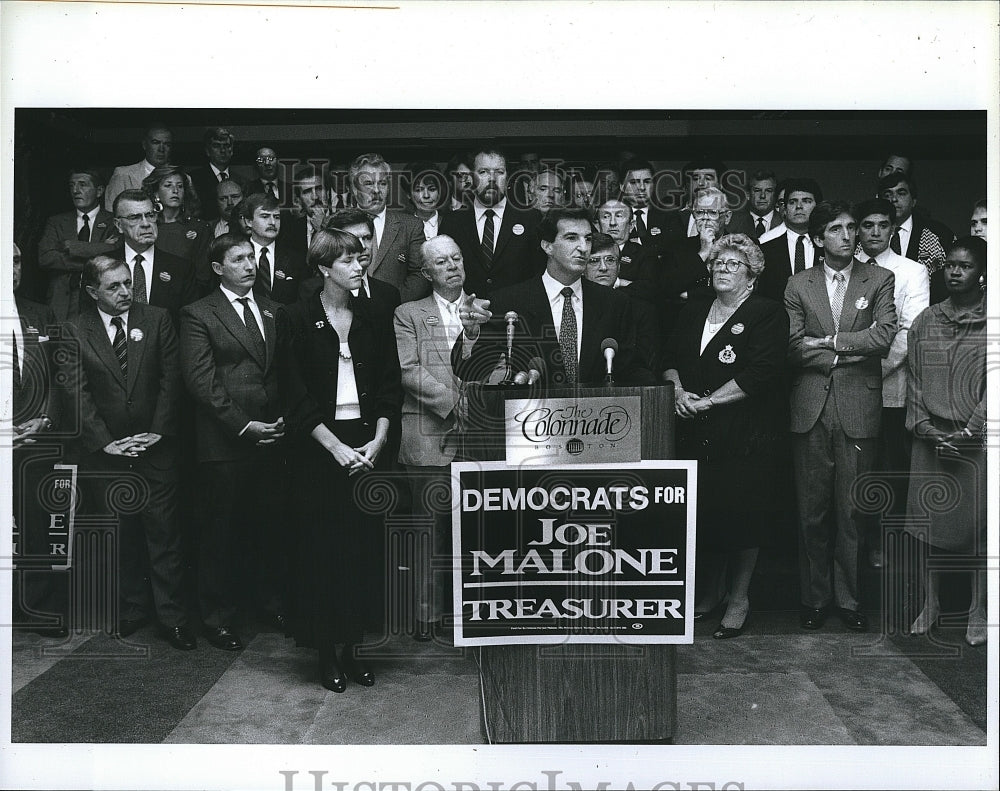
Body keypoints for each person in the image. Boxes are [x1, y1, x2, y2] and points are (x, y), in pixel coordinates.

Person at [278, 228, 402, 692]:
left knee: (362, 552)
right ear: (323, 268)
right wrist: (335, 448)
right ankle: (327, 653)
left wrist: (377, 442)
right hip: (319, 449)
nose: (358, 266)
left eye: (361, 258)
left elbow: (390, 385)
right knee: (321, 553)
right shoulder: (295, 317)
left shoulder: (372, 314)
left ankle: (354, 650)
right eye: (348, 260)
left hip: (367, 447)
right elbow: (294, 395)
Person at [664, 233, 788, 638]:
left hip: (743, 432)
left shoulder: (767, 312)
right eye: (718, 262)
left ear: (752, 275)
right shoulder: (693, 309)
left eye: (734, 264)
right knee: (706, 514)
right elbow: (668, 359)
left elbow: (762, 372)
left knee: (743, 516)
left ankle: (738, 598)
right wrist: (679, 391)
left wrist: (710, 402)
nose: (723, 268)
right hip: (691, 429)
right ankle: (710, 593)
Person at [785, 200, 897, 633]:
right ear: (817, 238)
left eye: (852, 228)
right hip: (809, 406)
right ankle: (814, 598)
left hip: (858, 406)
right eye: (837, 229)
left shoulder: (880, 278)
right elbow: (792, 347)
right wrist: (849, 347)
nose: (849, 236)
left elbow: (884, 336)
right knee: (812, 510)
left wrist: (827, 342)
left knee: (852, 510)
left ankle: (849, 600)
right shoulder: (798, 284)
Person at [71, 255, 194, 650]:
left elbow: (171, 380)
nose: (126, 292)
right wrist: (105, 441)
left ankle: (172, 617)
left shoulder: (157, 319)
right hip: (107, 454)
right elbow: (76, 391)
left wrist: (156, 433)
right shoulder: (75, 329)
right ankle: (133, 608)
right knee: (120, 534)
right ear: (93, 292)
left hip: (155, 448)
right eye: (114, 287)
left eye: (128, 283)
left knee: (165, 535)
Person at [179, 234, 289, 651]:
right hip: (225, 443)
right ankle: (218, 618)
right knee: (220, 533)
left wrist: (281, 422)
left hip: (274, 436)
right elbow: (200, 382)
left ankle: (269, 603)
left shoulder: (275, 310)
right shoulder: (198, 313)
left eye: (251, 258)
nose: (249, 265)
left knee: (269, 526)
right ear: (217, 268)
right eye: (238, 259)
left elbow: (283, 372)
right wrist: (245, 426)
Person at [452, 207, 654, 388]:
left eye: (588, 238)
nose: (584, 248)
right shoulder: (509, 302)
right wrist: (471, 335)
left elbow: (632, 370)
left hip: (598, 422)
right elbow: (471, 371)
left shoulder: (614, 303)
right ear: (547, 246)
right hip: (531, 421)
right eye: (572, 238)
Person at [904, 237, 987, 647]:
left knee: (981, 527)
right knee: (927, 525)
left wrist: (972, 432)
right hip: (932, 437)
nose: (955, 272)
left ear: (981, 272)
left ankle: (979, 608)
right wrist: (926, 428)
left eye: (966, 266)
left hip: (977, 439)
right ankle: (931, 602)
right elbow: (914, 380)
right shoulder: (926, 320)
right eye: (950, 265)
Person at [393, 234, 468, 641]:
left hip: (479, 441)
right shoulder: (408, 313)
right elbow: (408, 370)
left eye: (456, 258)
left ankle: (466, 612)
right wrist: (458, 405)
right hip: (427, 436)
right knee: (428, 531)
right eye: (442, 262)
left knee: (472, 530)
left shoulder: (487, 310)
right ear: (426, 272)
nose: (452, 265)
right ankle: (426, 614)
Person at [855, 198, 930, 568]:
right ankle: (856, 543)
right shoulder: (841, 267)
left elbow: (908, 332)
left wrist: (869, 371)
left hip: (889, 386)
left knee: (886, 469)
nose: (874, 232)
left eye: (882, 225)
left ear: (892, 227)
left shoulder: (912, 271)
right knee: (856, 469)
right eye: (867, 225)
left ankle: (882, 544)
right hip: (845, 388)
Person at [10, 243, 70, 636]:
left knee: (36, 525)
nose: (12, 268)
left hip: (33, 436)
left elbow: (56, 375)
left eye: (16, 259)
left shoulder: (39, 312)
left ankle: (38, 608)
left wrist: (44, 417)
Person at [439, 145, 546, 298]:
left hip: (518, 315)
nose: (492, 179)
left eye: (499, 172)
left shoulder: (531, 219)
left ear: (508, 177)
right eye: (483, 172)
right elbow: (443, 275)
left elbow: (540, 275)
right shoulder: (453, 222)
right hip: (465, 315)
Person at [346, 152, 428, 302]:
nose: (377, 190)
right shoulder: (338, 225)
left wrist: (392, 303)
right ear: (354, 188)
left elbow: (420, 273)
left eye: (382, 183)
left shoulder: (410, 226)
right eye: (369, 183)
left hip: (395, 314)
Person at [38, 167, 116, 321]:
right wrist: (97, 255)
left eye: (82, 184)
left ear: (99, 191)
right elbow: (45, 258)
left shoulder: (113, 222)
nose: (75, 190)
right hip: (62, 302)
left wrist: (70, 246)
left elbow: (115, 252)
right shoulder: (57, 222)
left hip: (100, 301)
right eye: (72, 185)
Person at [110, 190, 198, 320]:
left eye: (150, 215)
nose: (146, 224)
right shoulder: (102, 264)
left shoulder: (181, 268)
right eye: (135, 217)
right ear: (118, 225)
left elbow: (190, 322)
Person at [584, 233, 662, 374]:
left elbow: (645, 368)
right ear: (583, 267)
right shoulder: (571, 305)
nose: (603, 267)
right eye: (594, 261)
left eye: (610, 260)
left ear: (619, 267)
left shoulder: (641, 310)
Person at [877, 172, 953, 285]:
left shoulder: (939, 234)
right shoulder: (867, 235)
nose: (893, 199)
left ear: (914, 201)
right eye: (887, 195)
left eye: (901, 193)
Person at [235, 192, 308, 305]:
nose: (273, 222)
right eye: (265, 216)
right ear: (249, 221)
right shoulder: (235, 256)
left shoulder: (296, 259)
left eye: (277, 217)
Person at [758, 178, 823, 301]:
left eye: (806, 201)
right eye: (792, 202)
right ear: (785, 209)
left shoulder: (828, 246)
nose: (799, 206)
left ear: (818, 207)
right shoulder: (766, 250)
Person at [141, 165, 211, 263]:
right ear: (156, 192)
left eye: (180, 186)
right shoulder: (145, 226)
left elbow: (204, 272)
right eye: (168, 185)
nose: (175, 191)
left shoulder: (200, 228)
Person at [104, 124, 173, 211]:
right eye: (156, 143)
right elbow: (111, 213)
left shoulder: (183, 178)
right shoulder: (123, 175)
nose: (161, 149)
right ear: (145, 145)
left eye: (167, 144)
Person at [188, 127, 244, 220]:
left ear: (232, 150)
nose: (222, 150)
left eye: (226, 146)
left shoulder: (241, 181)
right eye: (217, 146)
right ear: (207, 151)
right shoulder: (193, 179)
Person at [726, 170, 780, 240]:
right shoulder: (732, 224)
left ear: (775, 195)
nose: (762, 196)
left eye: (768, 191)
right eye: (757, 190)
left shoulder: (785, 222)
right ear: (748, 194)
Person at [403, 160, 448, 239]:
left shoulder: (450, 223)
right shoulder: (402, 227)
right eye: (419, 190)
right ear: (409, 194)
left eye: (432, 189)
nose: (426, 195)